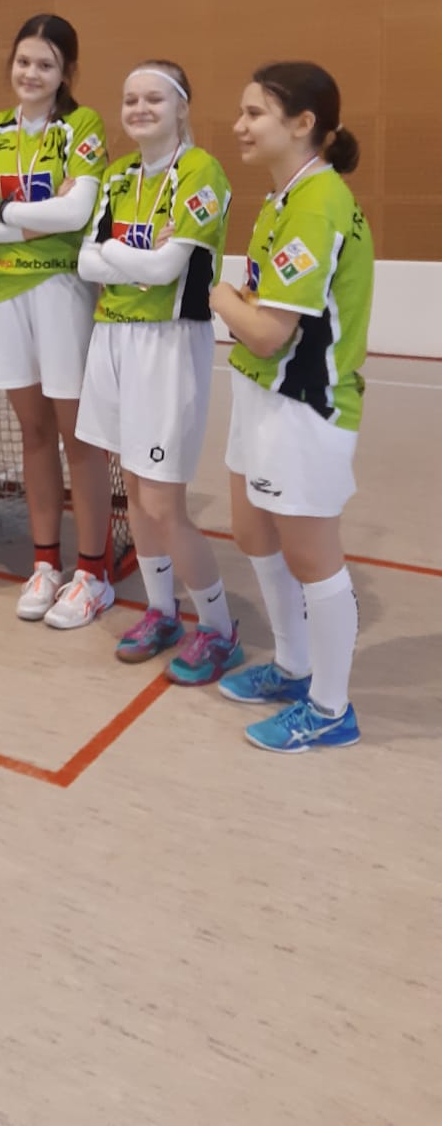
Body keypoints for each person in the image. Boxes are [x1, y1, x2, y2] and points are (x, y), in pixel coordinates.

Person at [210, 62, 372, 753]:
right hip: (260, 394)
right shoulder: (283, 198)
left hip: (306, 405)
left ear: (303, 123)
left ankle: (331, 709)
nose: (239, 126)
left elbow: (267, 330)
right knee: (253, 531)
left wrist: (212, 289)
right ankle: (292, 664)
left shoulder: (316, 204)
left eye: (255, 113)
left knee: (313, 558)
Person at [76, 62, 240, 680]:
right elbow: (84, 262)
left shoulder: (200, 171)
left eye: (154, 99)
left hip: (168, 343)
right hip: (112, 337)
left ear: (181, 108)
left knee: (163, 502)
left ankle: (220, 628)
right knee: (136, 495)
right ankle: (163, 611)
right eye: (130, 99)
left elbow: (169, 270)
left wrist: (120, 255)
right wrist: (137, 254)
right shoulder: (118, 176)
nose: (139, 108)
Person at [0, 13, 112, 629]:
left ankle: (93, 572)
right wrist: (32, 219)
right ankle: (46, 563)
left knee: (80, 437)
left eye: (46, 64)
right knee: (34, 433)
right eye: (24, 61)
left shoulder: (81, 125)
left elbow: (76, 214)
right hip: (4, 293)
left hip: (63, 289)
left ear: (66, 72)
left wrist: (0, 211)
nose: (32, 73)